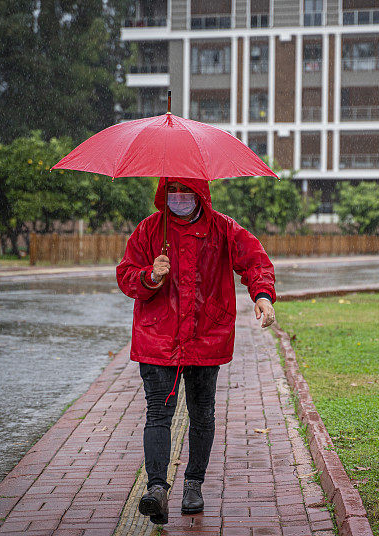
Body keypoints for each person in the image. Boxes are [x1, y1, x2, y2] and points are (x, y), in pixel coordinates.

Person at [116, 176, 276, 525]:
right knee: (158, 414)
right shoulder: (149, 231)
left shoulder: (223, 229)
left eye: (185, 190)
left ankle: (193, 484)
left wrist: (262, 296)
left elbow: (255, 262)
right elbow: (126, 275)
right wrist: (149, 275)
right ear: (163, 192)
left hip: (207, 334)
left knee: (202, 413)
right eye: (172, 190)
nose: (178, 197)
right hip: (158, 339)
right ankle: (157, 489)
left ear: (200, 192)